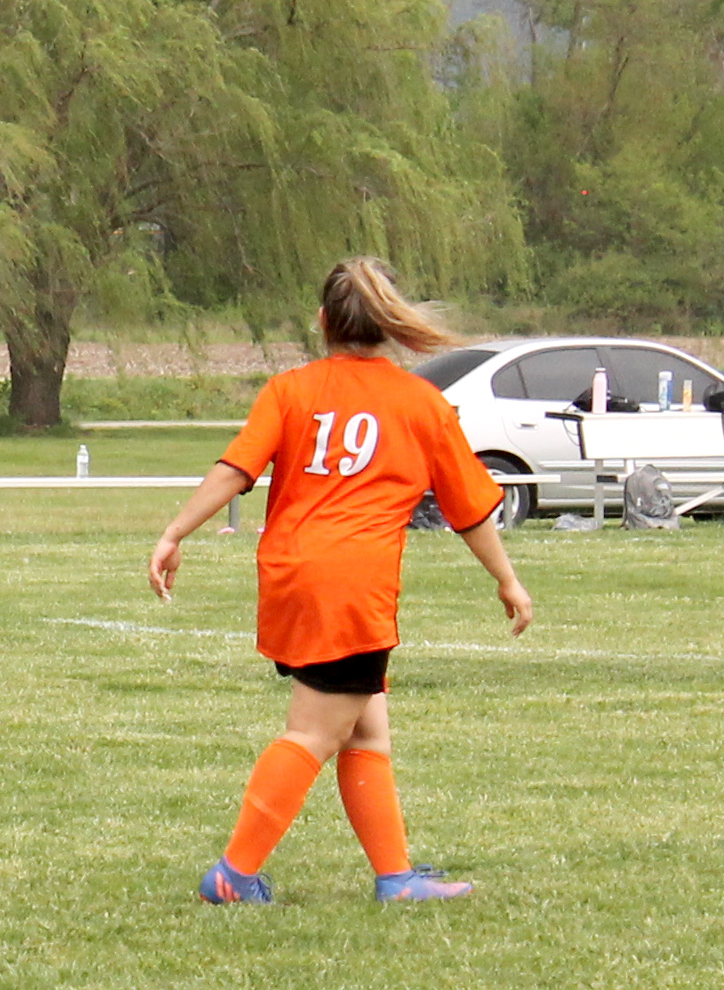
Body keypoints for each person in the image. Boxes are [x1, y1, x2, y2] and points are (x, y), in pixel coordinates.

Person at [148, 257, 533, 905]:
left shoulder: (290, 388)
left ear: (322, 322)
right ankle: (233, 875)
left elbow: (235, 469)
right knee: (314, 731)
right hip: (353, 585)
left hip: (292, 576)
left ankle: (395, 877)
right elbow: (470, 509)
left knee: (366, 727)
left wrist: (174, 530)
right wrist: (507, 579)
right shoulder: (420, 402)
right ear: (386, 326)